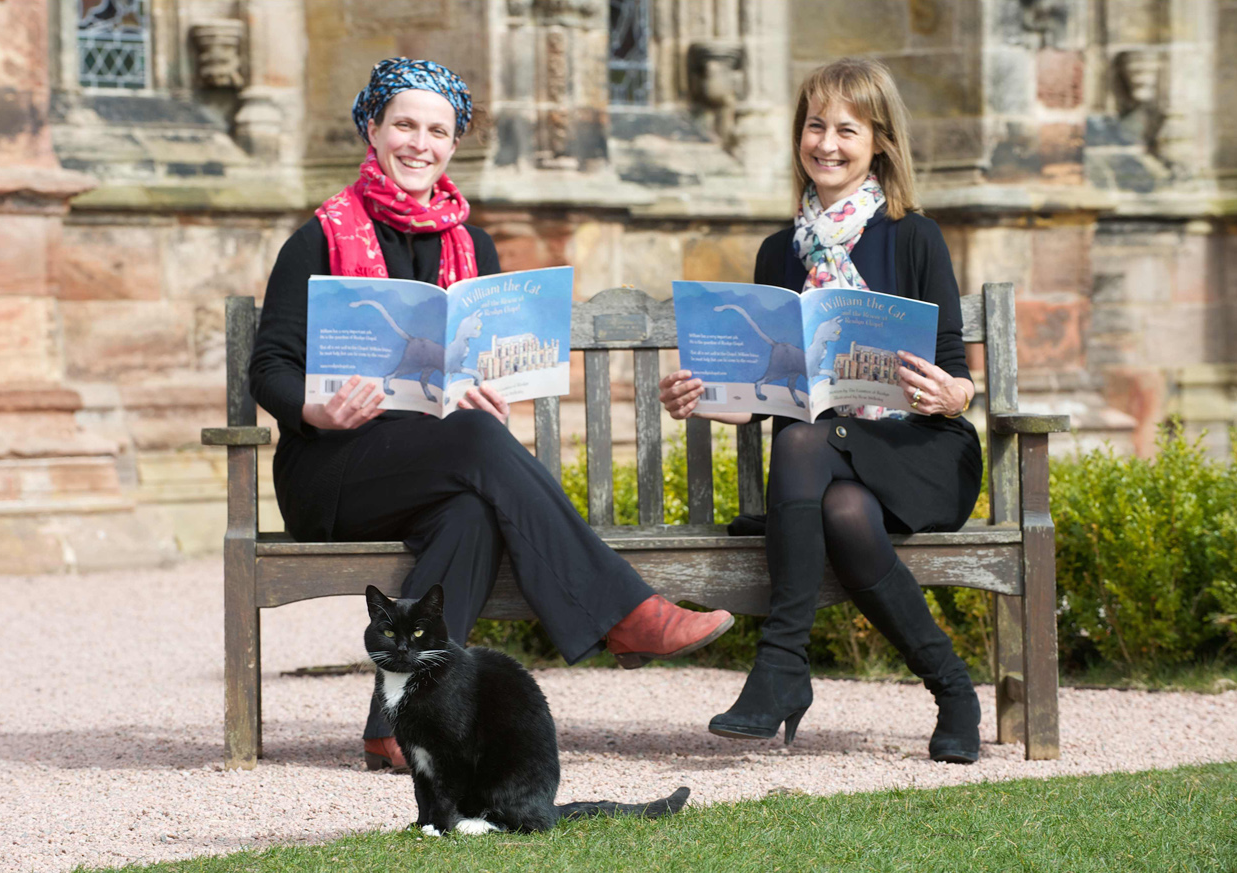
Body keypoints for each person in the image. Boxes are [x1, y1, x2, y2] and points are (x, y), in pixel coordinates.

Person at [249, 58, 734, 773]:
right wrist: (315, 407)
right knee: (474, 441)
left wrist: (486, 383)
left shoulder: (470, 245)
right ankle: (626, 613)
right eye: (404, 124)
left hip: (435, 465)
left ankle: (392, 725)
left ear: (453, 144)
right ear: (372, 129)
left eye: (437, 130)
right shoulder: (319, 237)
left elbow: (478, 361)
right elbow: (269, 368)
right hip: (333, 471)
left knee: (471, 511)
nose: (419, 142)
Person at [658, 57, 984, 763]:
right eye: (814, 125)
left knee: (804, 439)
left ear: (878, 144)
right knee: (837, 502)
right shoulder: (779, 252)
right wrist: (699, 397)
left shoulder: (913, 235)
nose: (826, 143)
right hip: (828, 472)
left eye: (846, 129)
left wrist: (950, 392)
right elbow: (759, 393)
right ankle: (953, 689)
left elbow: (956, 371)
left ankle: (780, 666)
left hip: (917, 451)